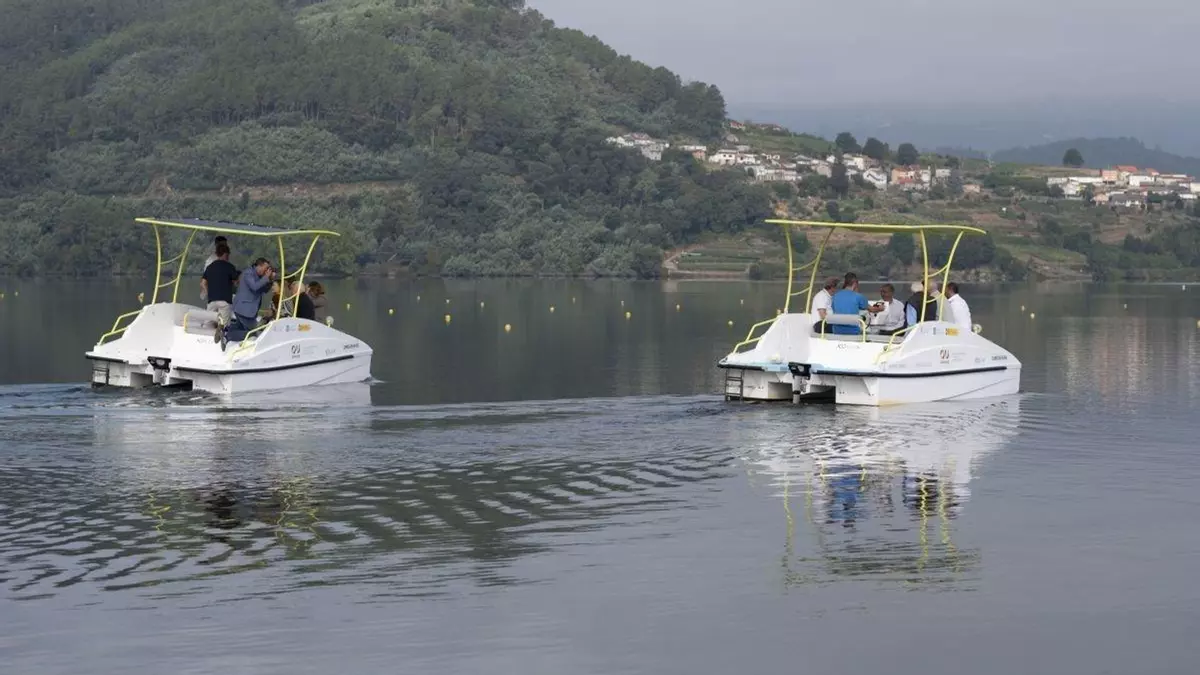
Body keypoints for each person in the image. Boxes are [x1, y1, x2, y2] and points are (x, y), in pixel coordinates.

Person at [226, 257, 275, 343]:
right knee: (253, 333)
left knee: (241, 329)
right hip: (244, 309)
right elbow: (255, 287)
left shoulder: (260, 277)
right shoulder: (248, 273)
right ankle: (228, 335)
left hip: (248, 310)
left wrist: (270, 279)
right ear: (259, 265)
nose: (266, 271)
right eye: (265, 268)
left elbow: (264, 290)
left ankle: (227, 333)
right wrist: (266, 277)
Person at [200, 243, 239, 329]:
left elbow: (202, 283)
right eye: (228, 255)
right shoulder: (230, 267)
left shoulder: (210, 267)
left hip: (212, 301)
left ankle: (206, 335)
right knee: (224, 327)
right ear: (225, 254)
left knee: (208, 324)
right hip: (225, 301)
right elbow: (236, 282)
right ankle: (222, 335)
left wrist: (208, 293)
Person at [200, 236, 228, 304]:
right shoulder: (211, 260)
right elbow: (205, 279)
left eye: (225, 245)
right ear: (216, 245)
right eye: (222, 245)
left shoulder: (225, 258)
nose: (224, 247)